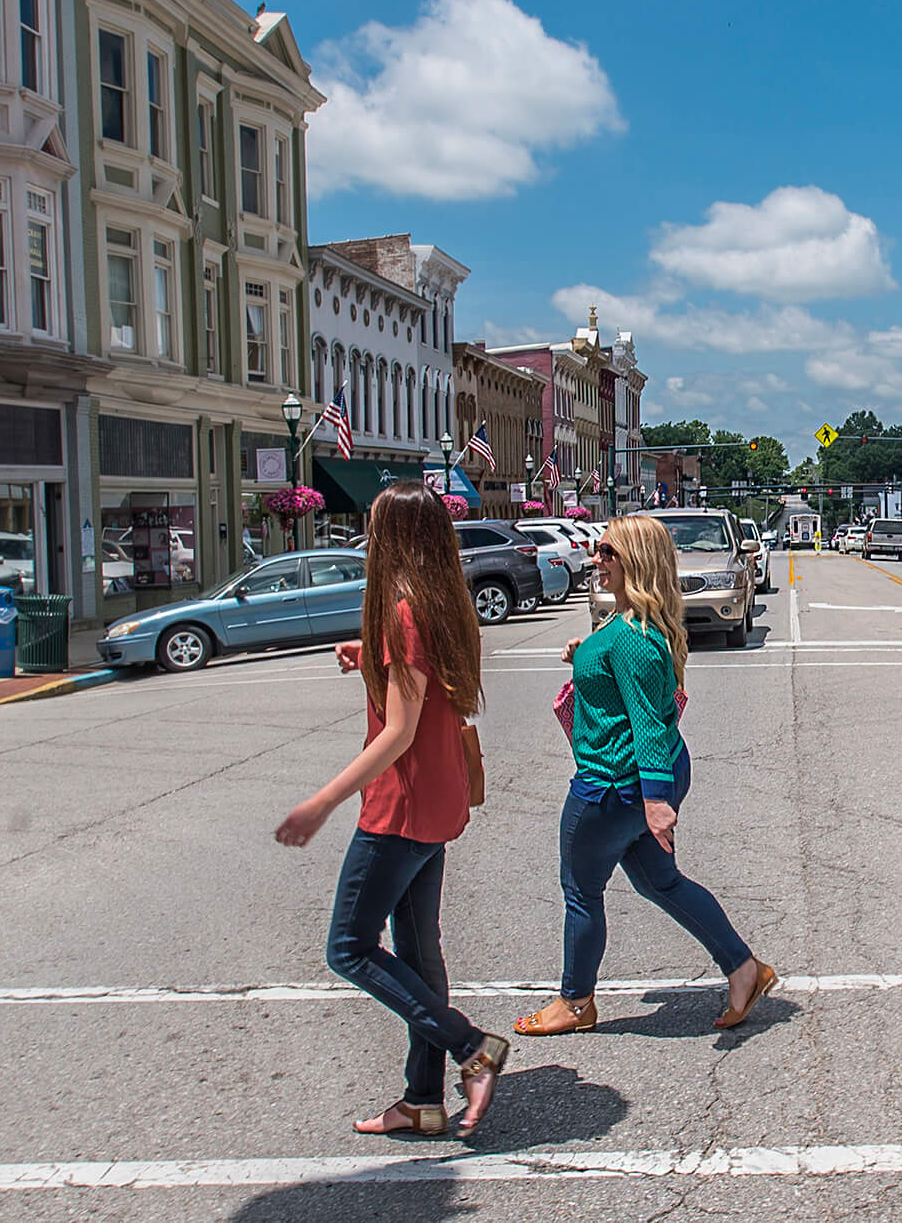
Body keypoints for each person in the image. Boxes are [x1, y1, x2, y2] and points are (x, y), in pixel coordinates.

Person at [275, 480, 509, 1137]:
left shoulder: (403, 611)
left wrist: (323, 800)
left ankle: (472, 1047)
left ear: (394, 537)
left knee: (349, 948)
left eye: (374, 525)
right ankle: (422, 1099)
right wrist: (370, 661)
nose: (367, 535)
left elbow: (399, 731)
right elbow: (422, 686)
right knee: (416, 948)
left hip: (400, 808)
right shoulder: (442, 602)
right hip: (438, 800)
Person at [516, 514, 775, 1037]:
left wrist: (657, 802)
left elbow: (649, 722)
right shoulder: (633, 627)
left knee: (581, 890)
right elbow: (626, 683)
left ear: (633, 560)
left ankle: (575, 1001)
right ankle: (744, 969)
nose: (596, 559)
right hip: (635, 784)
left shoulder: (633, 638)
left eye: (607, 551)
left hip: (612, 785)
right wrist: (583, 655)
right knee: (661, 882)